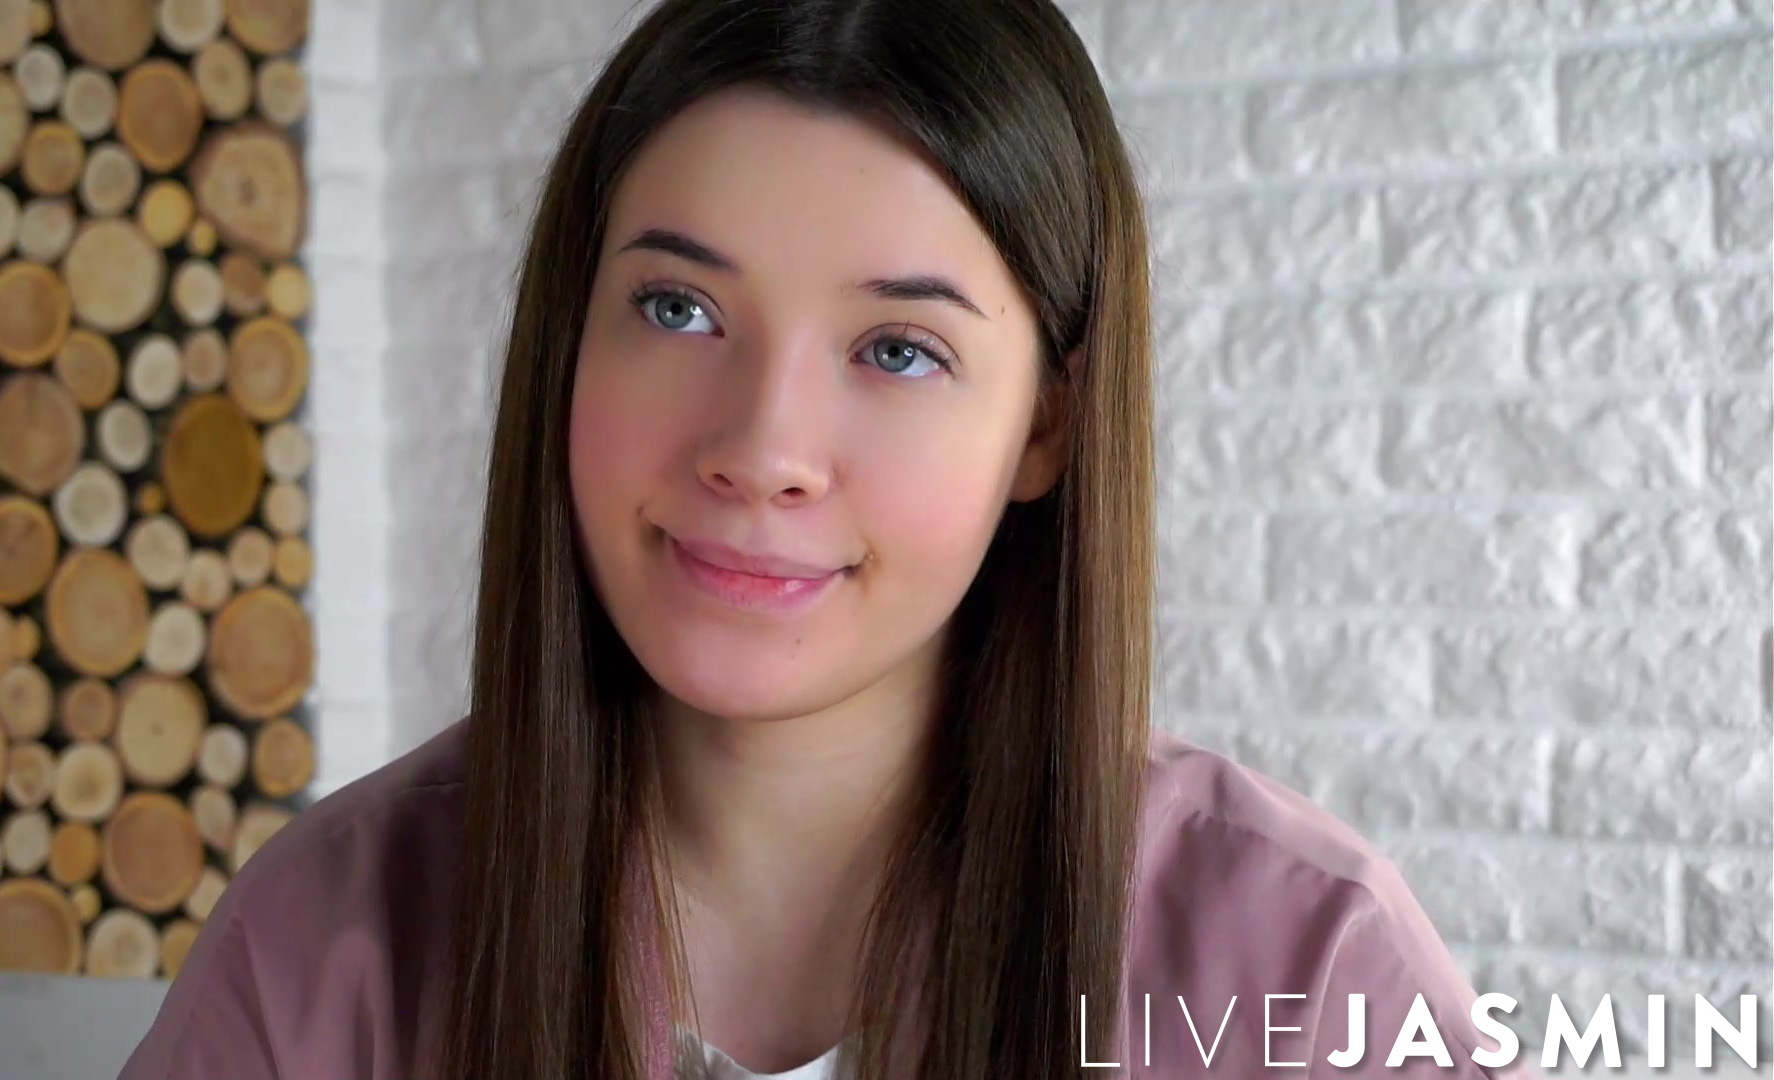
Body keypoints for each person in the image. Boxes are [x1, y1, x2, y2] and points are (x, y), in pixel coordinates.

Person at [118, 1, 1533, 1077]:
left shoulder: (1307, 973)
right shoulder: (321, 948)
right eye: (677, 309)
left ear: (1046, 427)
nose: (761, 449)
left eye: (898, 348)